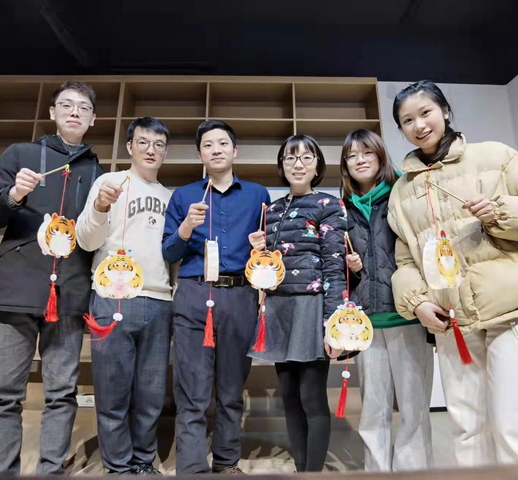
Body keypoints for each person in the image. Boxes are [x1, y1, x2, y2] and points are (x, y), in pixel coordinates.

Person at [388, 80, 518, 466]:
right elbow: (405, 261)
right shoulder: (402, 191)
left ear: (445, 111)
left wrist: (501, 211)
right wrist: (417, 302)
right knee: (469, 429)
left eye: (426, 112)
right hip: (454, 322)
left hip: (514, 309)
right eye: (407, 120)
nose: (419, 125)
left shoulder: (493, 155)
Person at [0, 81, 102, 475]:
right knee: (3, 392)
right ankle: (1, 471)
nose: (75, 112)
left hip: (70, 292)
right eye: (67, 104)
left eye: (83, 107)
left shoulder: (96, 172)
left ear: (93, 119)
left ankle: (51, 469)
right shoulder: (21, 154)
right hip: (16, 288)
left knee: (62, 392)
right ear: (52, 112)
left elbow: (96, 236)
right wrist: (13, 194)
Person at [162, 120, 270, 474]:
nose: (216, 150)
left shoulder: (258, 195)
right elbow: (169, 252)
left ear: (235, 151)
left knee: (231, 389)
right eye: (208, 145)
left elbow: (269, 253)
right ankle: (192, 468)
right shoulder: (183, 196)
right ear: (200, 155)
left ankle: (226, 463)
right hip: (194, 294)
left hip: (241, 295)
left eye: (223, 143)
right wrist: (186, 227)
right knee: (192, 389)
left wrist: (262, 248)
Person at [76, 117, 174, 475]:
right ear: (130, 146)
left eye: (159, 144)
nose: (151, 150)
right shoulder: (109, 182)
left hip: (160, 301)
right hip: (112, 297)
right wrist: (101, 207)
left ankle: (143, 461)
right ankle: (117, 467)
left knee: (151, 393)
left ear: (165, 152)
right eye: (143, 142)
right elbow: (86, 240)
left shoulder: (171, 198)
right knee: (112, 390)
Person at [248, 134, 347, 472]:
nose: (298, 164)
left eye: (306, 157)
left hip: (311, 307)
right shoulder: (272, 210)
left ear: (317, 165)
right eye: (290, 158)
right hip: (278, 307)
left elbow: (334, 265)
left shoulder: (329, 204)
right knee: (289, 397)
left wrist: (332, 322)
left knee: (311, 397)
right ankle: (301, 466)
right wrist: (258, 250)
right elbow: (269, 266)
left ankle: (312, 473)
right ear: (282, 166)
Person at [339, 129, 433, 471]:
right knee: (373, 410)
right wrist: (350, 268)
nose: (360, 160)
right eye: (352, 155)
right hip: (365, 323)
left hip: (408, 316)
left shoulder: (402, 194)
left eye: (367, 152)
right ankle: (377, 473)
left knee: (413, 408)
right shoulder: (341, 209)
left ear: (380, 156)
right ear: (345, 166)